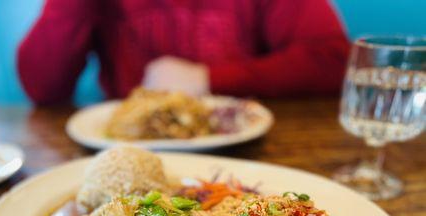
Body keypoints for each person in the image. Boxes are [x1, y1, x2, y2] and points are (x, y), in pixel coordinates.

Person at [18, 0, 349, 105]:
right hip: (129, 149)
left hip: (247, 150)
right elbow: (42, 88)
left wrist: (208, 79)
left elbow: (334, 60)